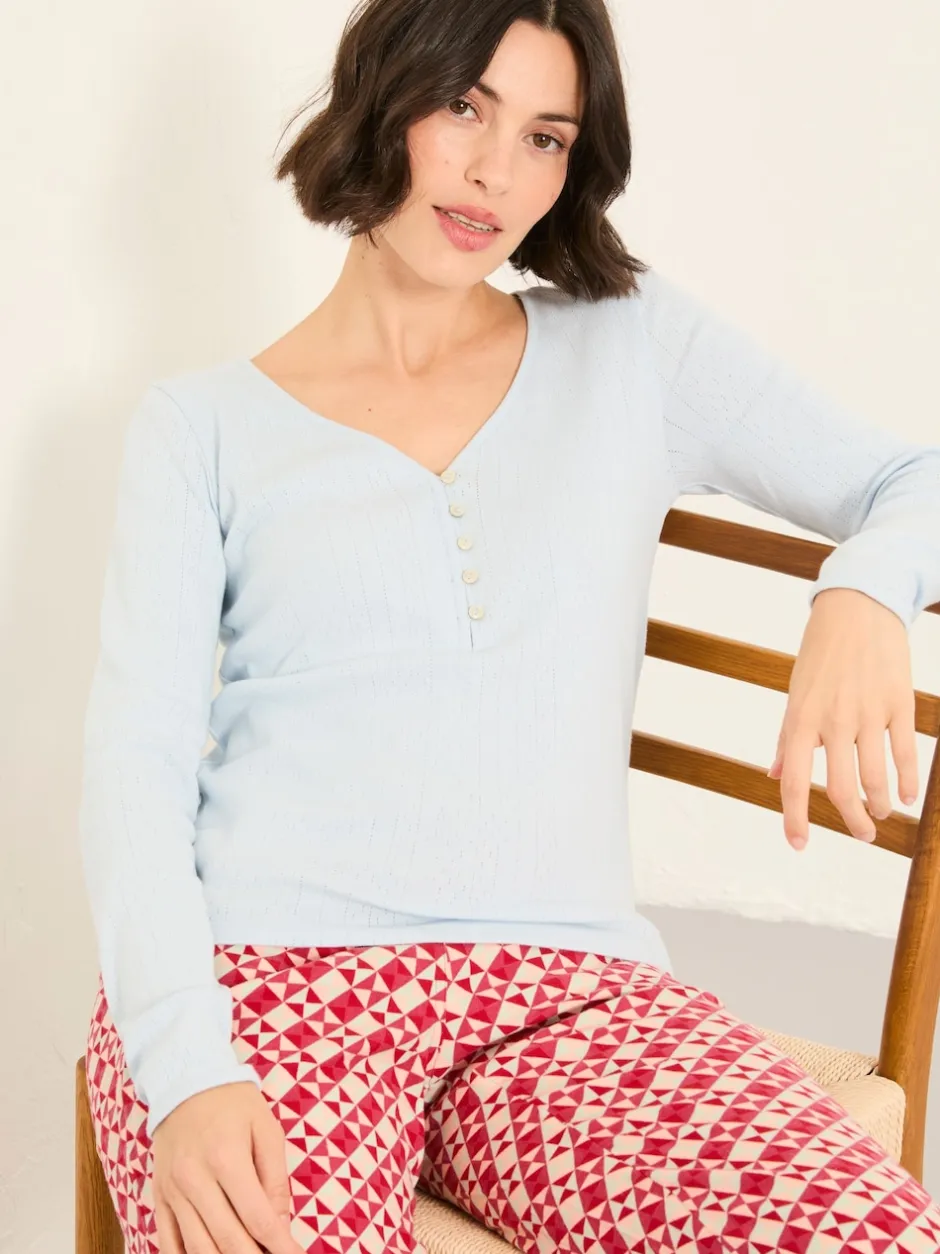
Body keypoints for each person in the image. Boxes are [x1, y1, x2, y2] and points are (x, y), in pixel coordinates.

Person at [79, 1, 940, 1251]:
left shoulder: (633, 346)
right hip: (270, 978)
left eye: (545, 137)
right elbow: (134, 769)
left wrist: (859, 592)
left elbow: (913, 478)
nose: (494, 171)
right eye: (462, 108)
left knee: (868, 1235)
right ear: (382, 98)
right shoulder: (202, 426)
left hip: (568, 995)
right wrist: (184, 1065)